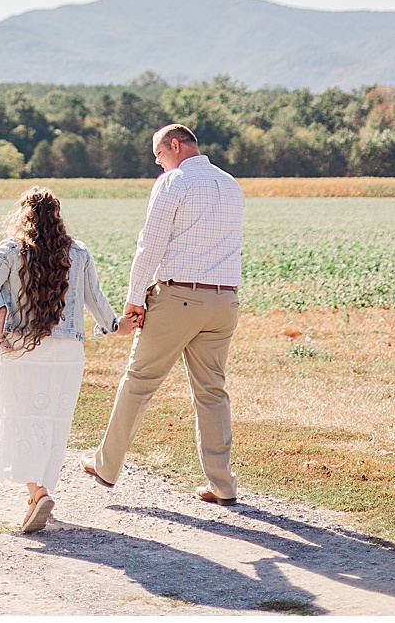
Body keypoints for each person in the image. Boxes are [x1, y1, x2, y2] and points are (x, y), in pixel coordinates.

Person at [81, 123, 244, 504]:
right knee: (212, 392)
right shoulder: (231, 184)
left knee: (138, 381)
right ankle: (222, 485)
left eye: (158, 155)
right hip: (225, 302)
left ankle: (106, 466)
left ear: (174, 145)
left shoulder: (174, 183)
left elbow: (149, 245)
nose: (158, 163)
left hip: (178, 298)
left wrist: (134, 299)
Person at [0, 187, 118, 534]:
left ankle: (38, 492)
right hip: (68, 353)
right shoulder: (79, 252)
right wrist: (112, 326)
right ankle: (38, 491)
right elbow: (94, 298)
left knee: (21, 420)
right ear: (58, 217)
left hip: (22, 346)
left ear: (23, 217)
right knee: (52, 422)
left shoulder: (11, 249)